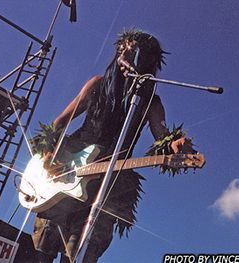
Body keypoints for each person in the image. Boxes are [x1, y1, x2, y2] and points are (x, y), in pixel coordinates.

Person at [31, 29, 187, 262]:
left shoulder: (150, 102)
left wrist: (174, 145)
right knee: (43, 247)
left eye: (137, 56)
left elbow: (162, 135)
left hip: (107, 184)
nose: (129, 59)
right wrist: (48, 152)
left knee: (80, 252)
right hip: (67, 171)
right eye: (125, 52)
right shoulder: (97, 84)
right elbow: (61, 121)